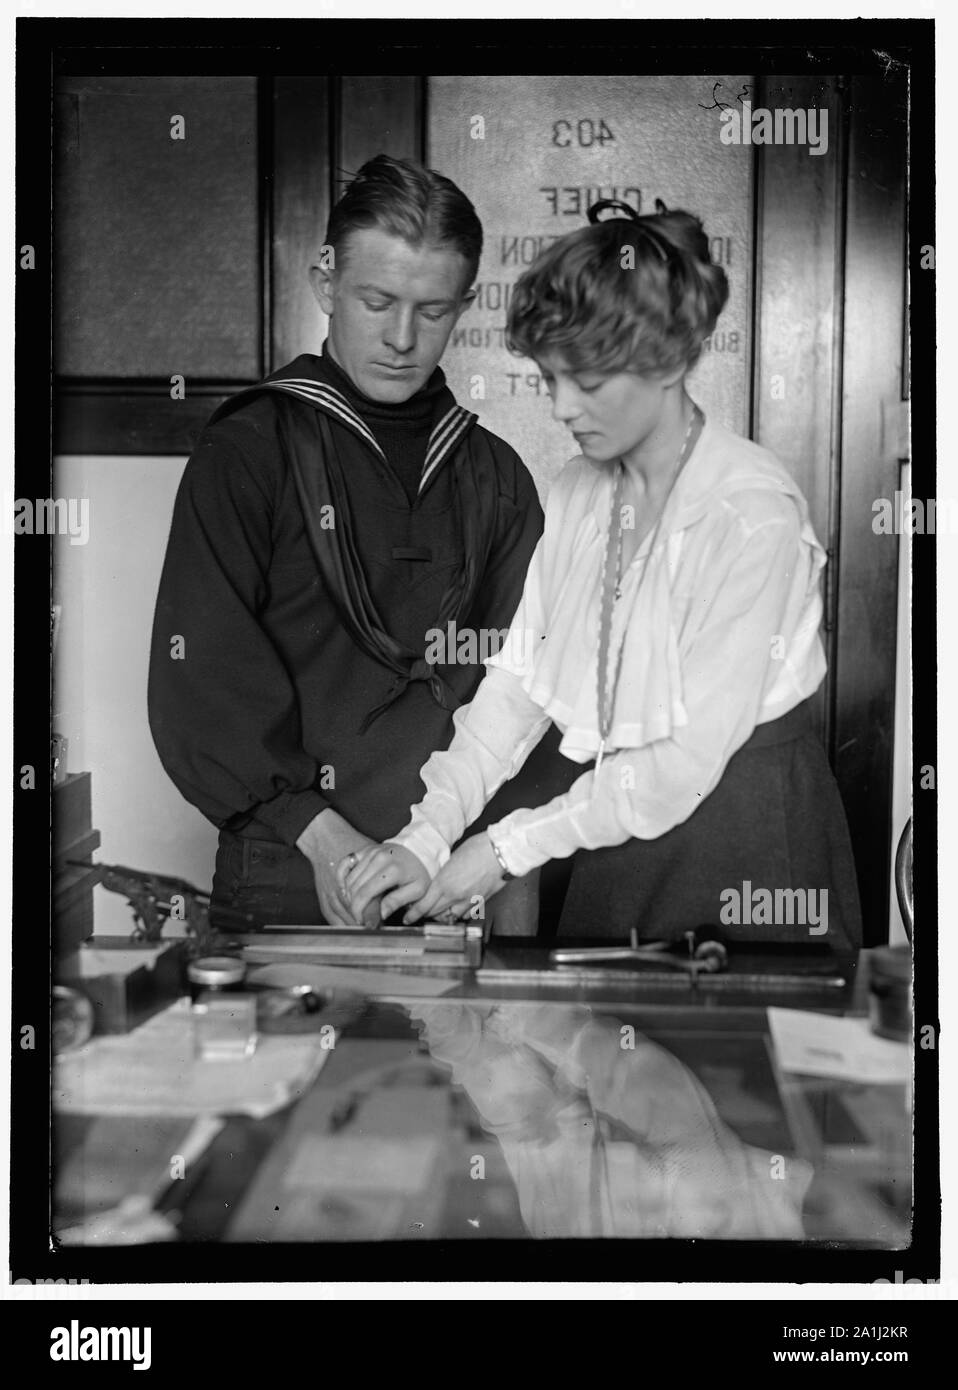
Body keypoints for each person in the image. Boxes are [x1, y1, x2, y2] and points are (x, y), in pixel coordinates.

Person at [344, 201, 863, 949]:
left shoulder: (751, 512)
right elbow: (516, 690)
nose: (561, 407)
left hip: (750, 844)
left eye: (586, 379)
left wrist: (499, 851)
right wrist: (424, 840)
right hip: (611, 830)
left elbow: (681, 765)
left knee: (734, 1061)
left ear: (671, 361)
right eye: (551, 378)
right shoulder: (579, 490)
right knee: (608, 1049)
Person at [148, 154, 558, 931]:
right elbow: (198, 685)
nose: (403, 338)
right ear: (323, 283)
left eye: (433, 311)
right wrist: (322, 836)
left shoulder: (497, 478)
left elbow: (531, 691)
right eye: (377, 300)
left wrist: (455, 862)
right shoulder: (248, 452)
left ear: (465, 305)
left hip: (448, 880)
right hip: (289, 869)